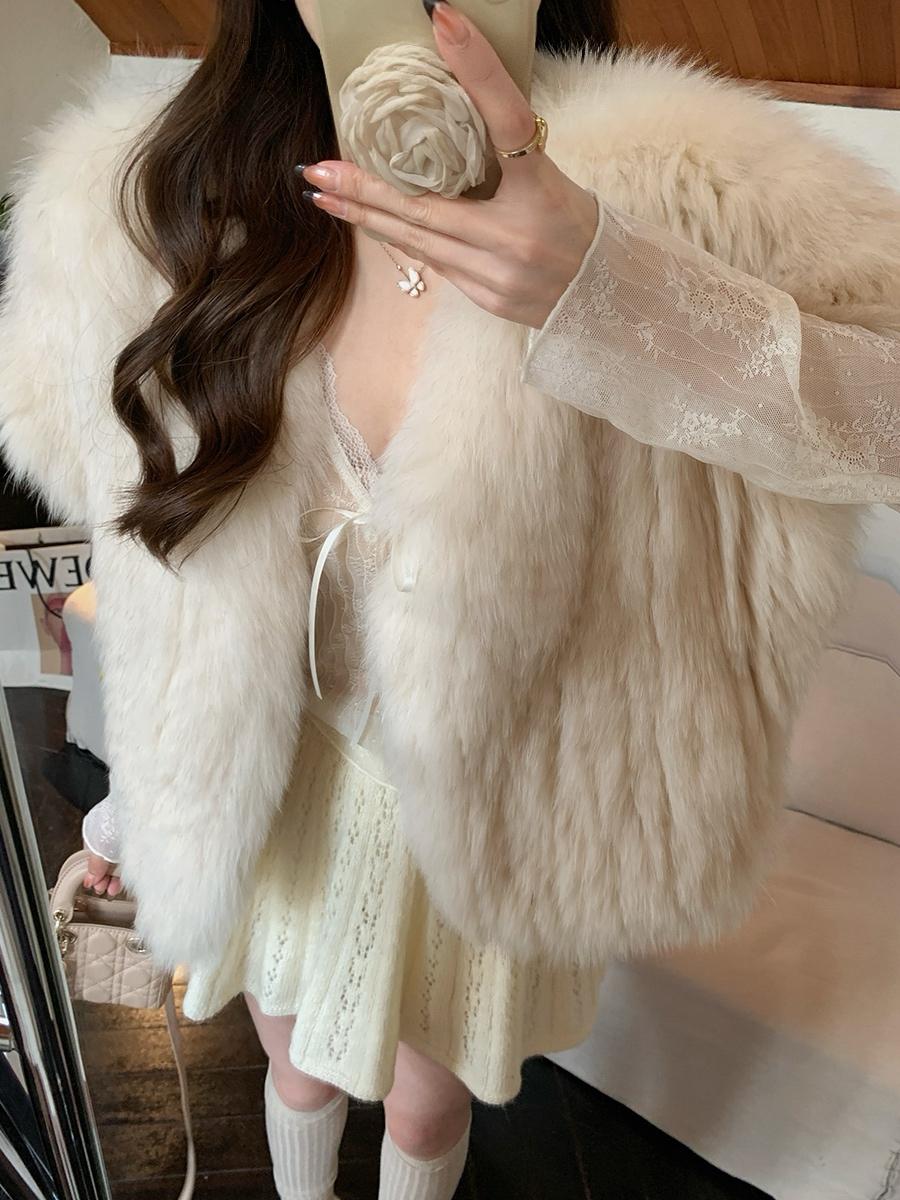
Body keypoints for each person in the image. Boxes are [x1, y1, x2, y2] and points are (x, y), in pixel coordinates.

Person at [2, 1, 899, 1197]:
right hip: (266, 771)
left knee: (427, 1103)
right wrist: (132, 791)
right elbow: (104, 496)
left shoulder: (695, 176)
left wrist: (624, 296)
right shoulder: (138, 192)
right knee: (295, 1066)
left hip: (489, 780)